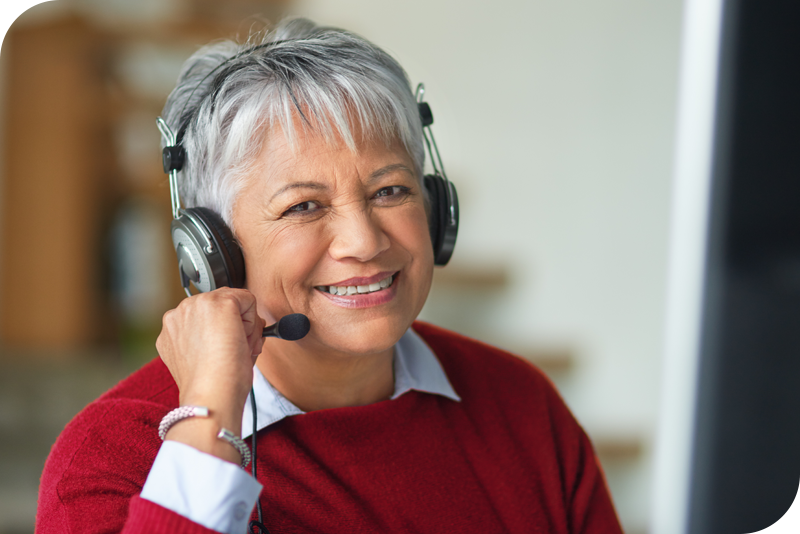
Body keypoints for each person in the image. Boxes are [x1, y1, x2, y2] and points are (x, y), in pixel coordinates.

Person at [36, 17, 622, 534]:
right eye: (303, 206)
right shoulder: (107, 456)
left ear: (435, 206)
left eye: (390, 190)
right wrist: (208, 419)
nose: (365, 242)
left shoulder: (519, 405)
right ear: (211, 252)